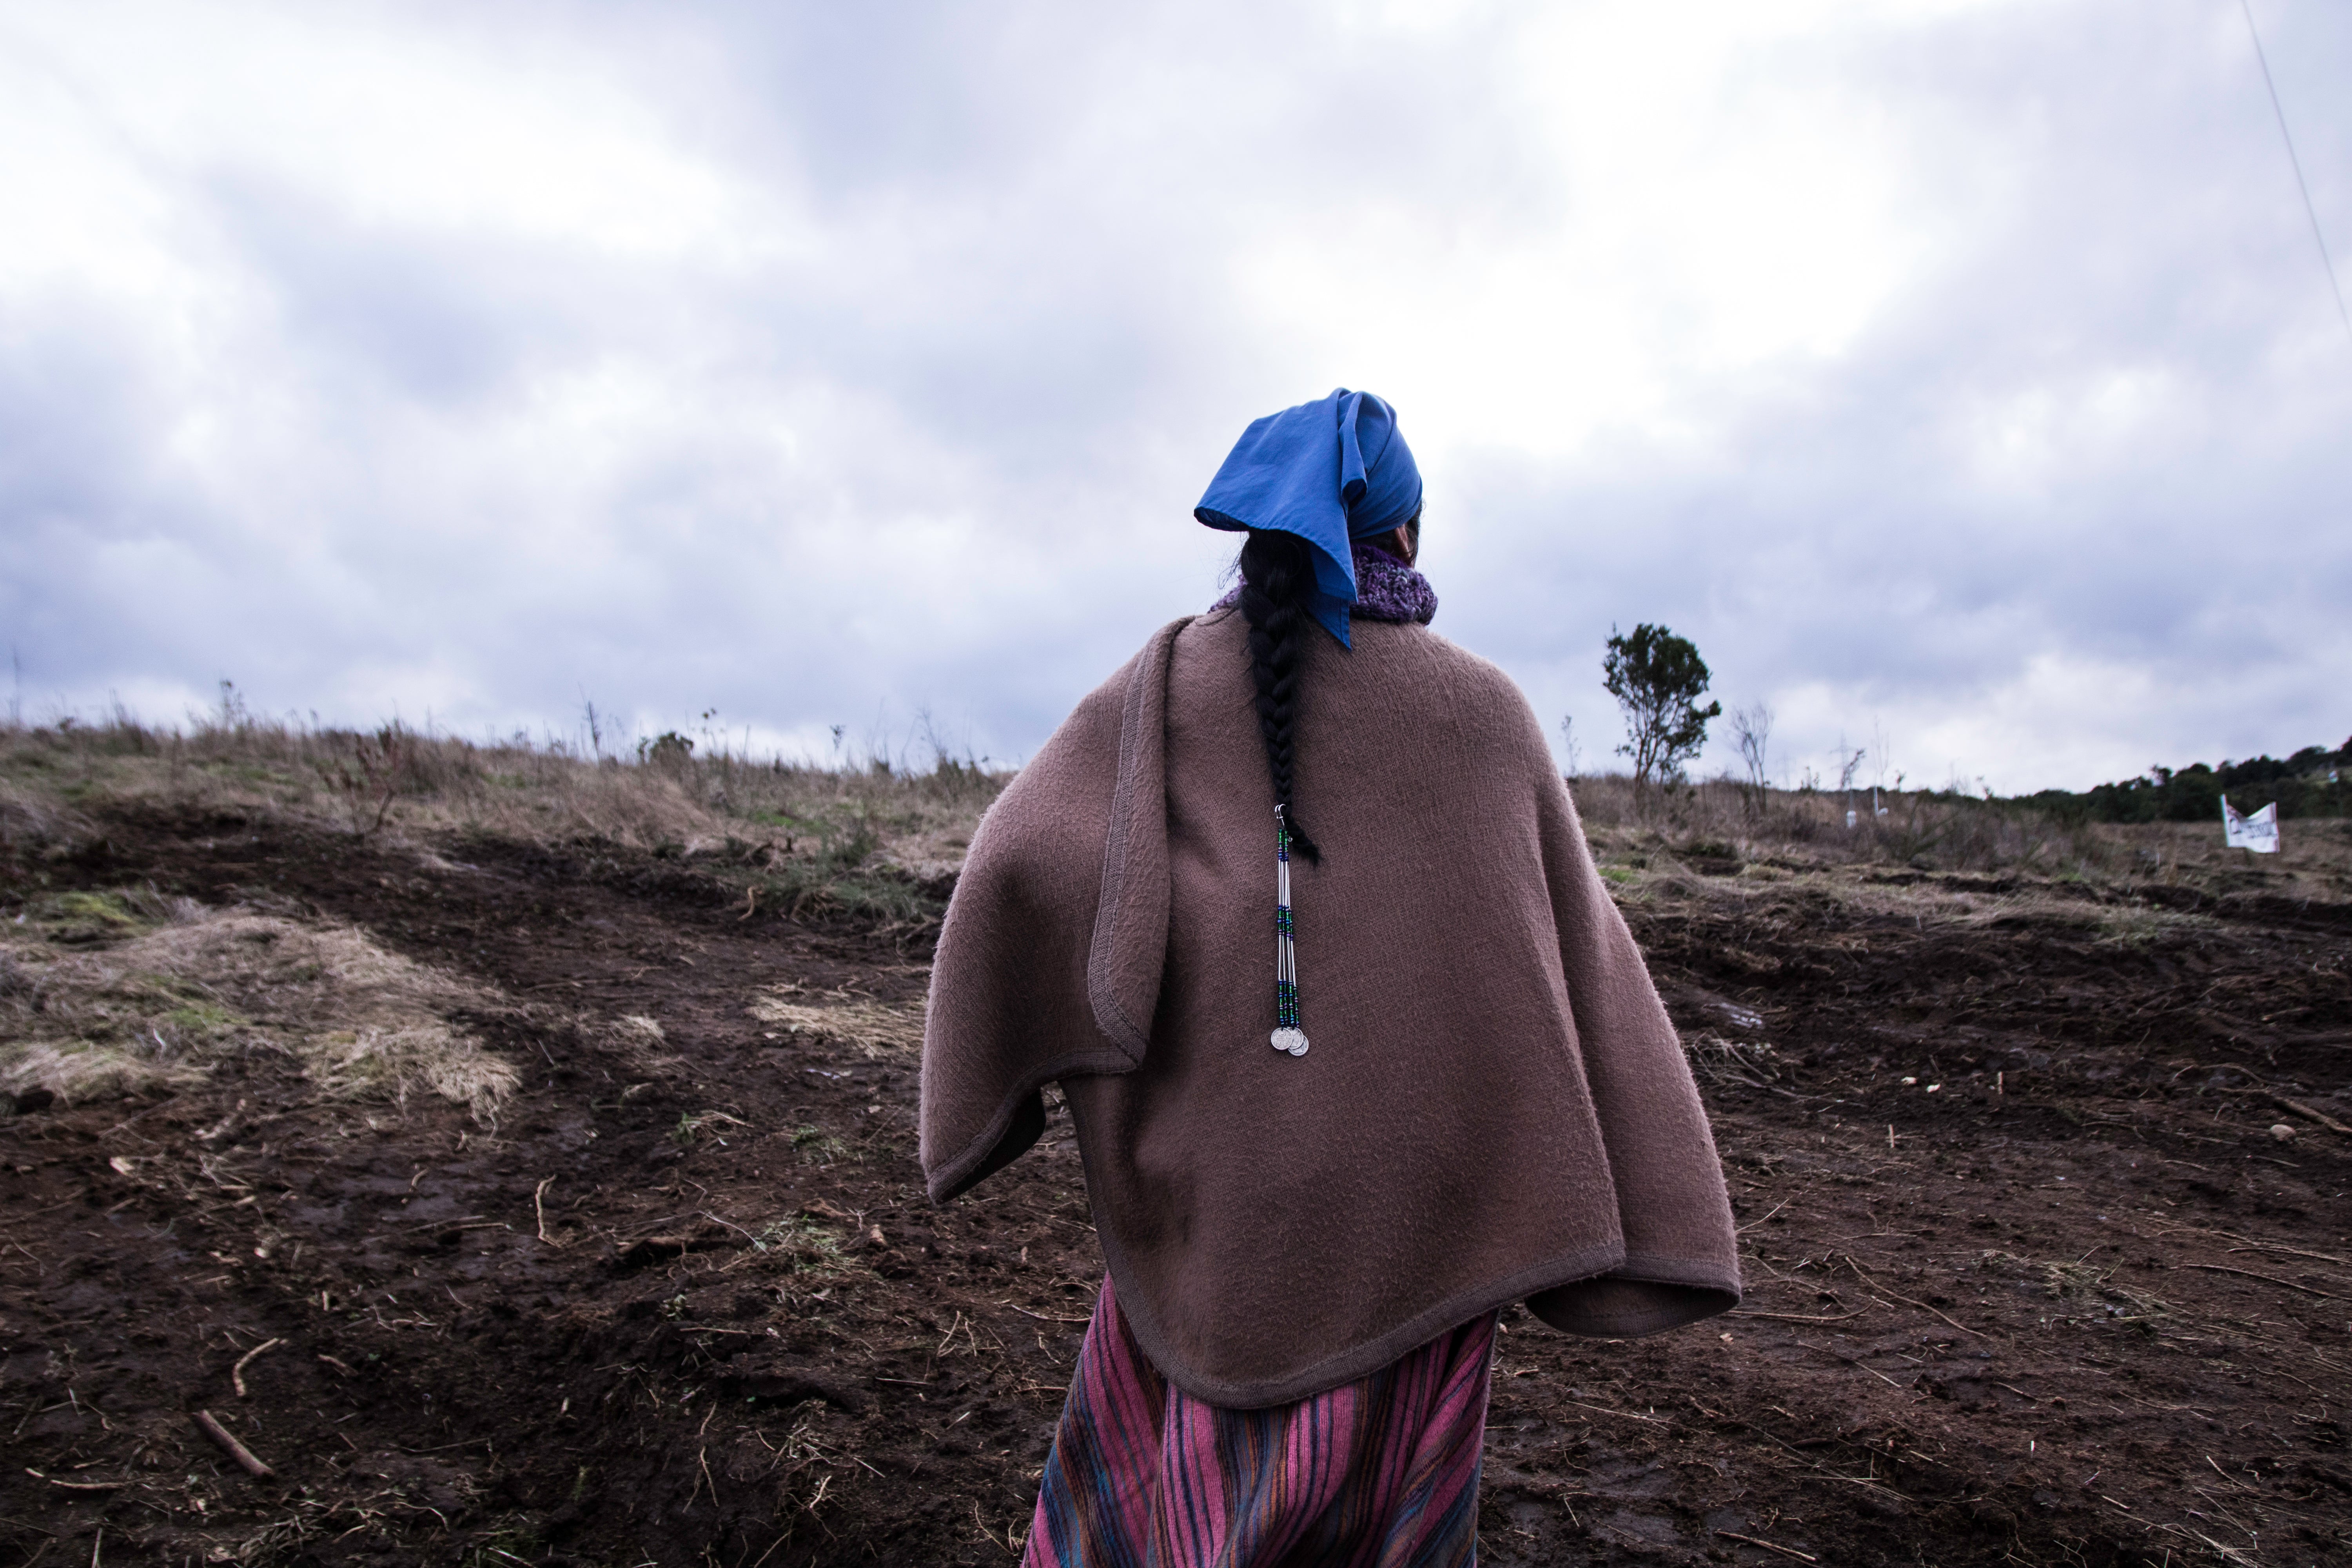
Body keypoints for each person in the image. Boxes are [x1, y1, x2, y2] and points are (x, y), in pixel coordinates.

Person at [920, 389, 1739, 1567]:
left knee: (1160, 1519)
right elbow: (1577, 974)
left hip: (1205, 1233)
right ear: (1401, 535)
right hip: (1417, 1249)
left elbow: (1010, 866)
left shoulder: (1150, 693)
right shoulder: (1485, 718)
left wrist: (992, 1088)